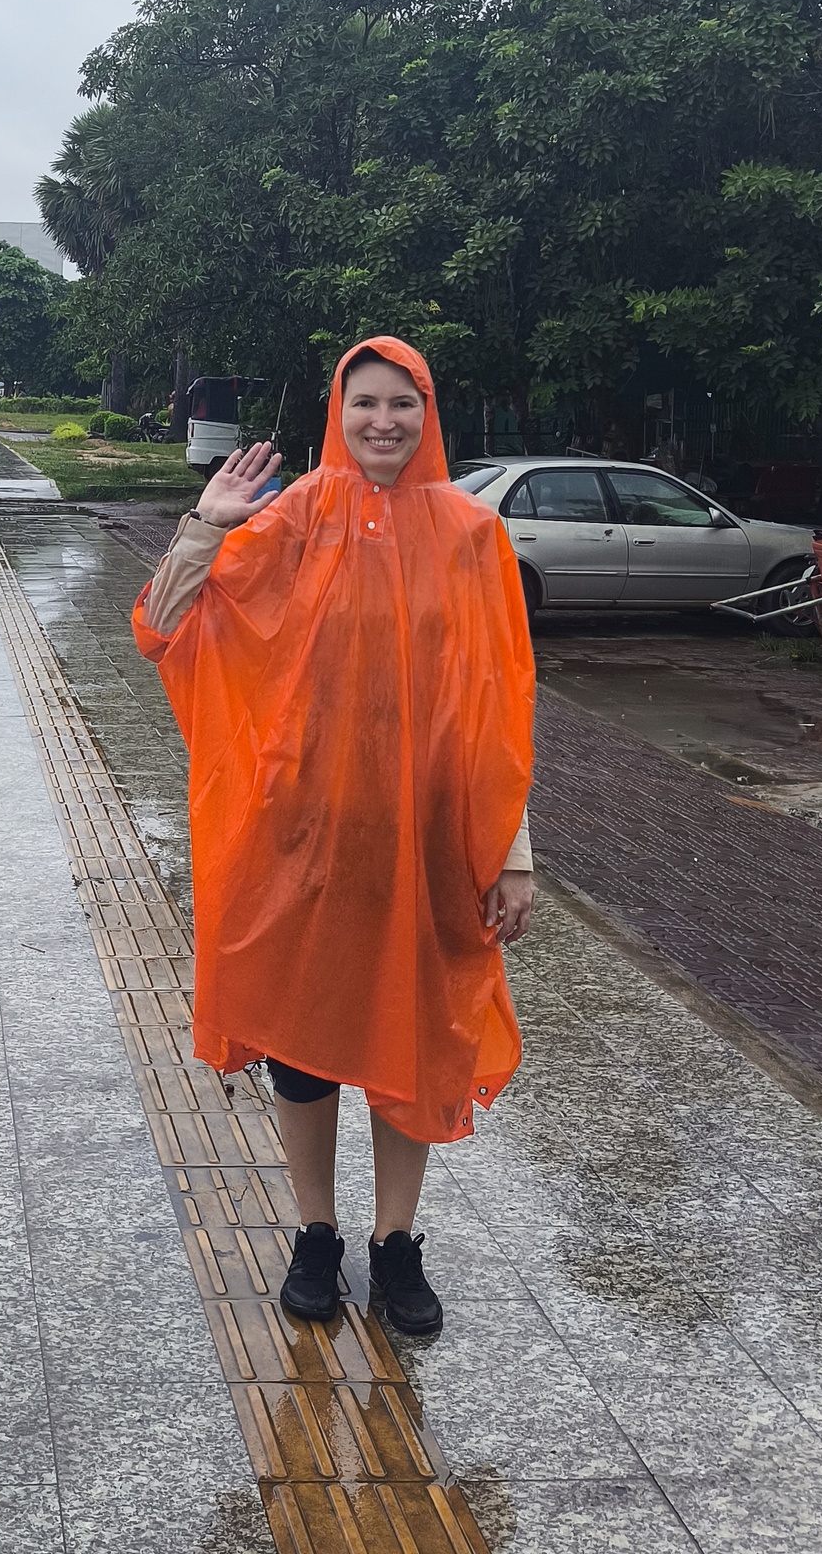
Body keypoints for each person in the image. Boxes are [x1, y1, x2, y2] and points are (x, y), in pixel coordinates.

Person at [133, 338, 535, 1337]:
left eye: (402, 403)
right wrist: (202, 526)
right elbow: (162, 627)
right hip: (303, 843)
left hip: (429, 844)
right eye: (364, 403)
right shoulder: (294, 517)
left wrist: (512, 849)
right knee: (303, 1051)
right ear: (337, 408)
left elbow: (498, 710)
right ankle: (316, 1230)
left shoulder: (468, 535)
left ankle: (395, 1243)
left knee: (417, 1040)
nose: (382, 422)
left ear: (428, 411)